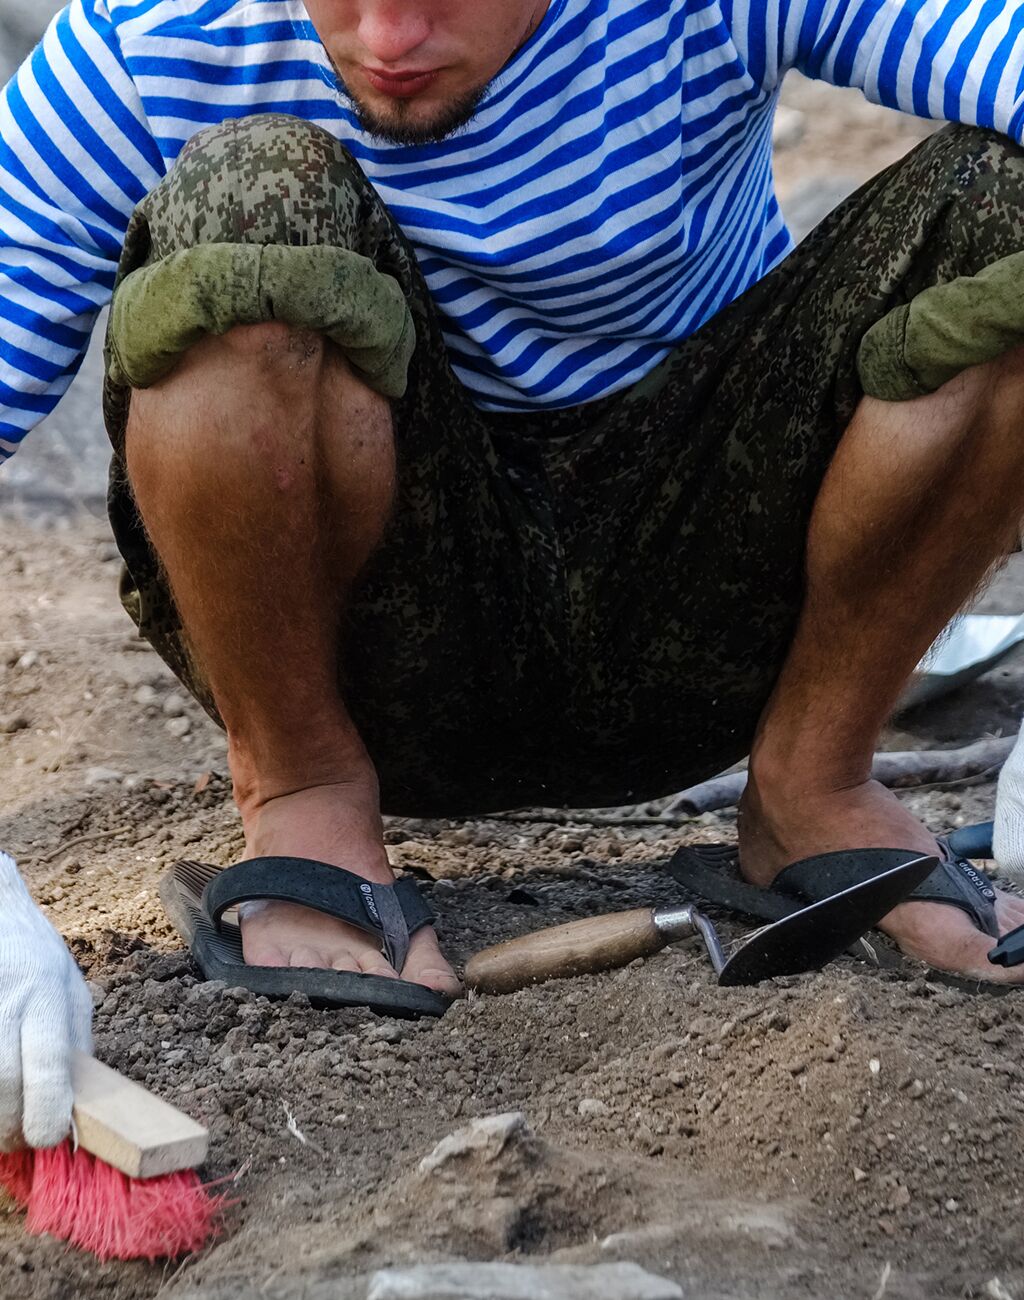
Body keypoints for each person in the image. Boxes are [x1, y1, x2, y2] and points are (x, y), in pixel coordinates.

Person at [5, 0, 1024, 1150]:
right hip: (377, 642)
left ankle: (815, 787)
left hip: (716, 602)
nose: (388, 35)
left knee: (1009, 207)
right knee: (249, 200)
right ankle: (304, 802)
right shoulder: (144, 45)